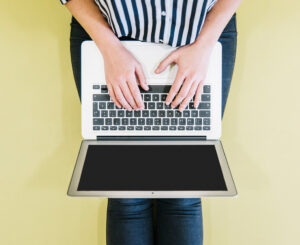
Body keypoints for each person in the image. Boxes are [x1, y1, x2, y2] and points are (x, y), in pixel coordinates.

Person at [60, 0, 242, 244]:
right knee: (126, 193)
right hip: (107, 32)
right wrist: (109, 47)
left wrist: (205, 44)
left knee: (183, 191)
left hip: (203, 32)